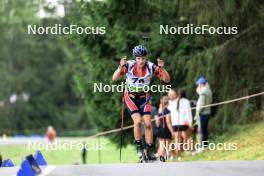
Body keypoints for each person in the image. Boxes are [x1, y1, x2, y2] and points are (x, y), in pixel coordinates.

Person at [112, 45, 170, 162]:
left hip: (144, 98)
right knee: (138, 121)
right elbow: (115, 78)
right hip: (131, 97)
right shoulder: (129, 65)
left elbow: (167, 80)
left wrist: (162, 69)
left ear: (146, 58)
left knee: (148, 124)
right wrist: (120, 67)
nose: (141, 61)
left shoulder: (151, 66)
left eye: (143, 58)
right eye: (138, 58)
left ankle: (150, 150)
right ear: (135, 58)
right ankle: (139, 147)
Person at [168, 89, 193, 161]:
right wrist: (189, 123)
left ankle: (178, 156)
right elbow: (188, 113)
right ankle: (192, 151)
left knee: (177, 140)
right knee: (188, 137)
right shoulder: (185, 101)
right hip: (183, 122)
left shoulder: (171, 103)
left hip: (175, 123)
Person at [195, 76, 212, 150]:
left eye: (199, 84)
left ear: (201, 84)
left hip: (203, 113)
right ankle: (205, 144)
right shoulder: (208, 90)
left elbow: (201, 105)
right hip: (207, 112)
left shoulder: (203, 92)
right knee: (204, 129)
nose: (198, 86)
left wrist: (198, 113)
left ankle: (204, 146)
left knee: (203, 130)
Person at [155, 96, 173, 162]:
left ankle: (159, 158)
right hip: (165, 129)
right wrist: (172, 132)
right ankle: (162, 158)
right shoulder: (167, 111)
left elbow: (157, 122)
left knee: (161, 144)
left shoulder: (159, 110)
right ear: (168, 102)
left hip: (159, 129)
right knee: (164, 145)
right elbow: (168, 123)